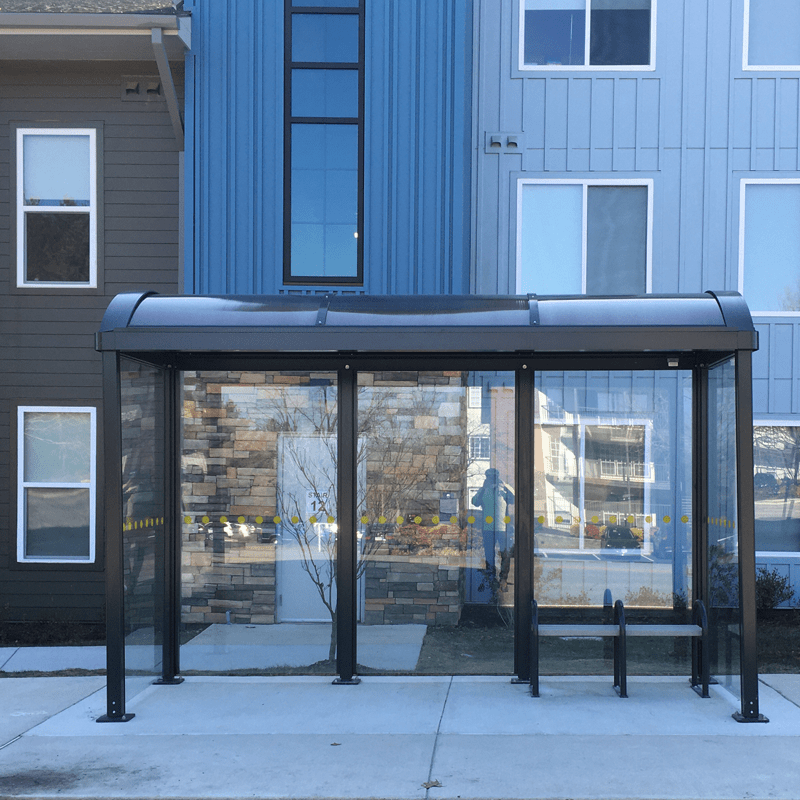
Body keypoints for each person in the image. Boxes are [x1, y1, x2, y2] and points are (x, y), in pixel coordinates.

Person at [472, 468, 515, 590]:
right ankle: (491, 577)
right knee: (489, 555)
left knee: (505, 554)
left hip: (502, 528)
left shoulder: (503, 491)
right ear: (486, 478)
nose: (491, 479)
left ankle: (503, 579)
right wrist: (482, 488)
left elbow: (513, 498)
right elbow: (474, 502)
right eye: (489, 477)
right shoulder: (484, 490)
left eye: (494, 477)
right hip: (488, 528)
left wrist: (505, 485)